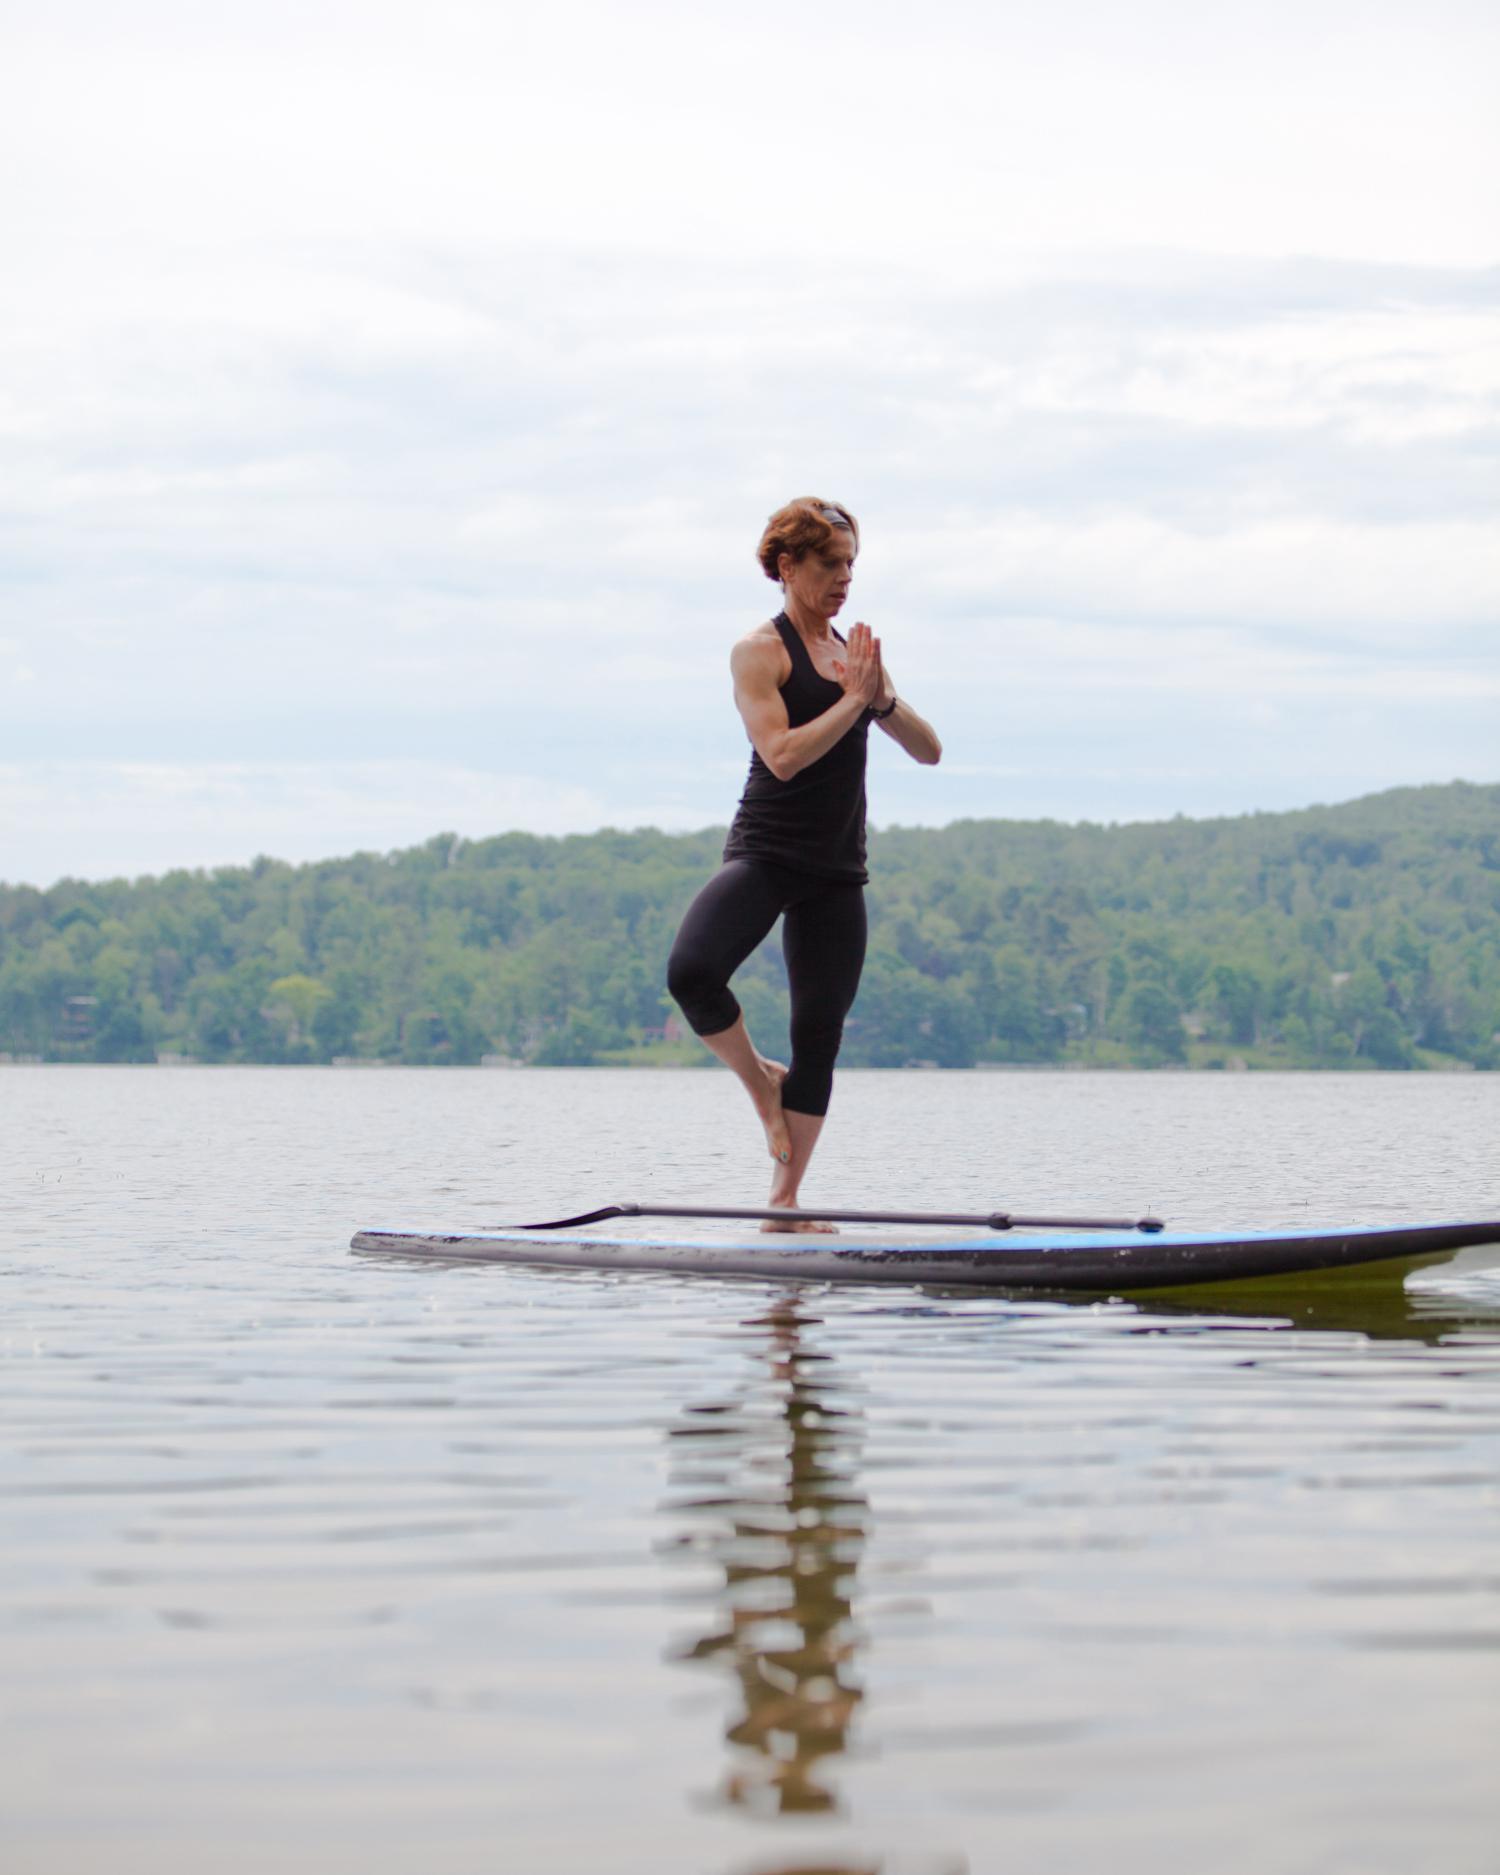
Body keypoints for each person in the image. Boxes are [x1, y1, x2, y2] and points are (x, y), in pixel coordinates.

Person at [666, 498, 942, 1229]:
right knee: (691, 972)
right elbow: (783, 756)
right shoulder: (761, 650)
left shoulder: (854, 656)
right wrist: (854, 701)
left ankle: (784, 1204)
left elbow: (929, 747)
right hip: (766, 851)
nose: (844, 578)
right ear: (788, 567)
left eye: (852, 564)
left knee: (819, 1031)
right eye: (829, 564)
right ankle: (760, 1083)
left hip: (835, 869)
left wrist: (880, 698)